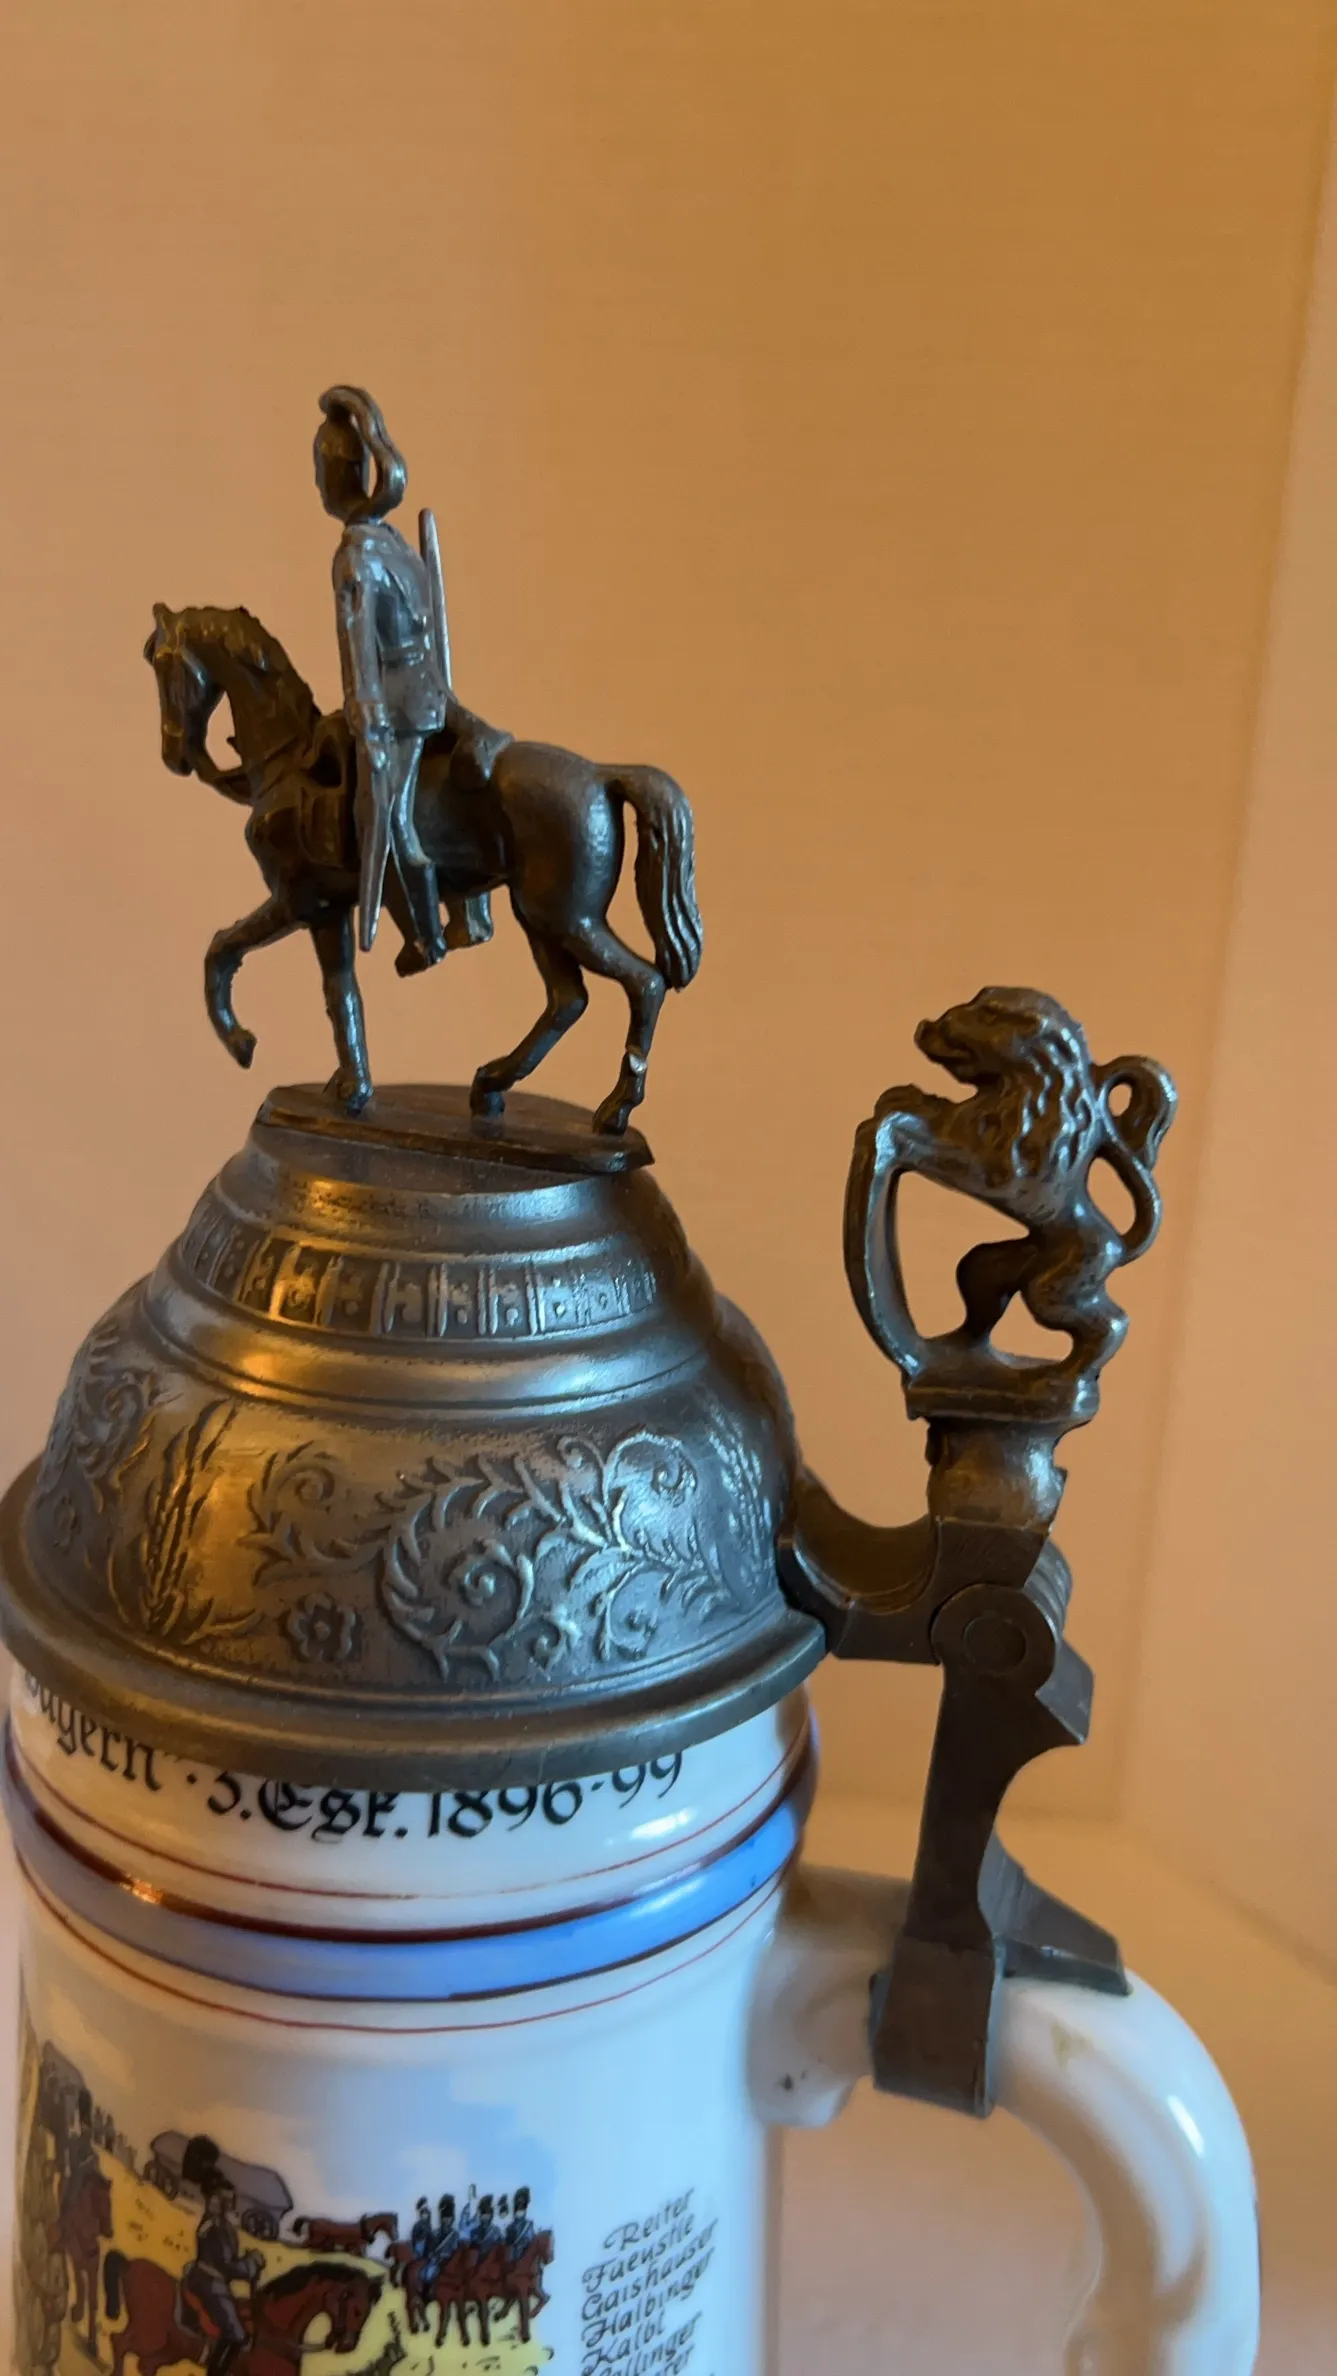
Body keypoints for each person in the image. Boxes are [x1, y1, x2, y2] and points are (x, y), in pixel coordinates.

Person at [314, 386, 449, 966]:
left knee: (394, 819)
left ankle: (429, 937)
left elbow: (358, 648)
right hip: (426, 689)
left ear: (335, 475)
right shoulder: (393, 543)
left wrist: (365, 719)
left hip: (398, 703)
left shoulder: (357, 555)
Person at [181, 2138, 261, 2376]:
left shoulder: (217, 2223)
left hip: (206, 2278)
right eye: (228, 2199)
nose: (232, 2203)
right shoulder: (217, 2227)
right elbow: (226, 2266)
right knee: (236, 2334)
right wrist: (251, 2264)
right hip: (211, 2284)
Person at [504, 2187, 536, 2261]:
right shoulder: (509, 2228)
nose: (520, 2206)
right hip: (513, 2261)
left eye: (522, 2206)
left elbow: (533, 2243)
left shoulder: (529, 2226)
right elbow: (507, 2247)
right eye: (518, 2205)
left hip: (527, 2260)